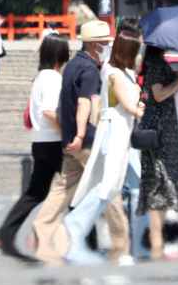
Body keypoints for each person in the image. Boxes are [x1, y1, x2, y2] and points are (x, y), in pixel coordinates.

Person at [30, 20, 129, 262]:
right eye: (105, 43)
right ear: (95, 45)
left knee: (64, 186)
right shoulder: (90, 71)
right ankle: (121, 241)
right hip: (85, 142)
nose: (108, 46)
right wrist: (81, 135)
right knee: (109, 188)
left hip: (69, 141)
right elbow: (85, 103)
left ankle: (41, 226)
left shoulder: (73, 65)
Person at [62, 29, 144, 265]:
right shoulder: (115, 73)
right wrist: (142, 109)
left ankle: (75, 227)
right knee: (108, 185)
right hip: (116, 130)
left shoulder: (117, 70)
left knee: (111, 185)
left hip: (119, 130)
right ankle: (75, 224)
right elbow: (129, 105)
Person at [0, 35, 71, 257]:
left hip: (40, 142)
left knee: (36, 192)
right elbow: (49, 112)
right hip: (54, 142)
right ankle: (82, 236)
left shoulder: (41, 77)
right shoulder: (52, 79)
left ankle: (5, 232)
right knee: (75, 188)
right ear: (60, 55)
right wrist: (69, 131)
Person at [138, 45, 178, 259]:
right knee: (158, 183)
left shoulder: (160, 64)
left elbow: (169, 89)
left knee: (166, 181)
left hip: (167, 129)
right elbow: (160, 94)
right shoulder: (154, 66)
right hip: (159, 131)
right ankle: (156, 239)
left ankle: (158, 237)